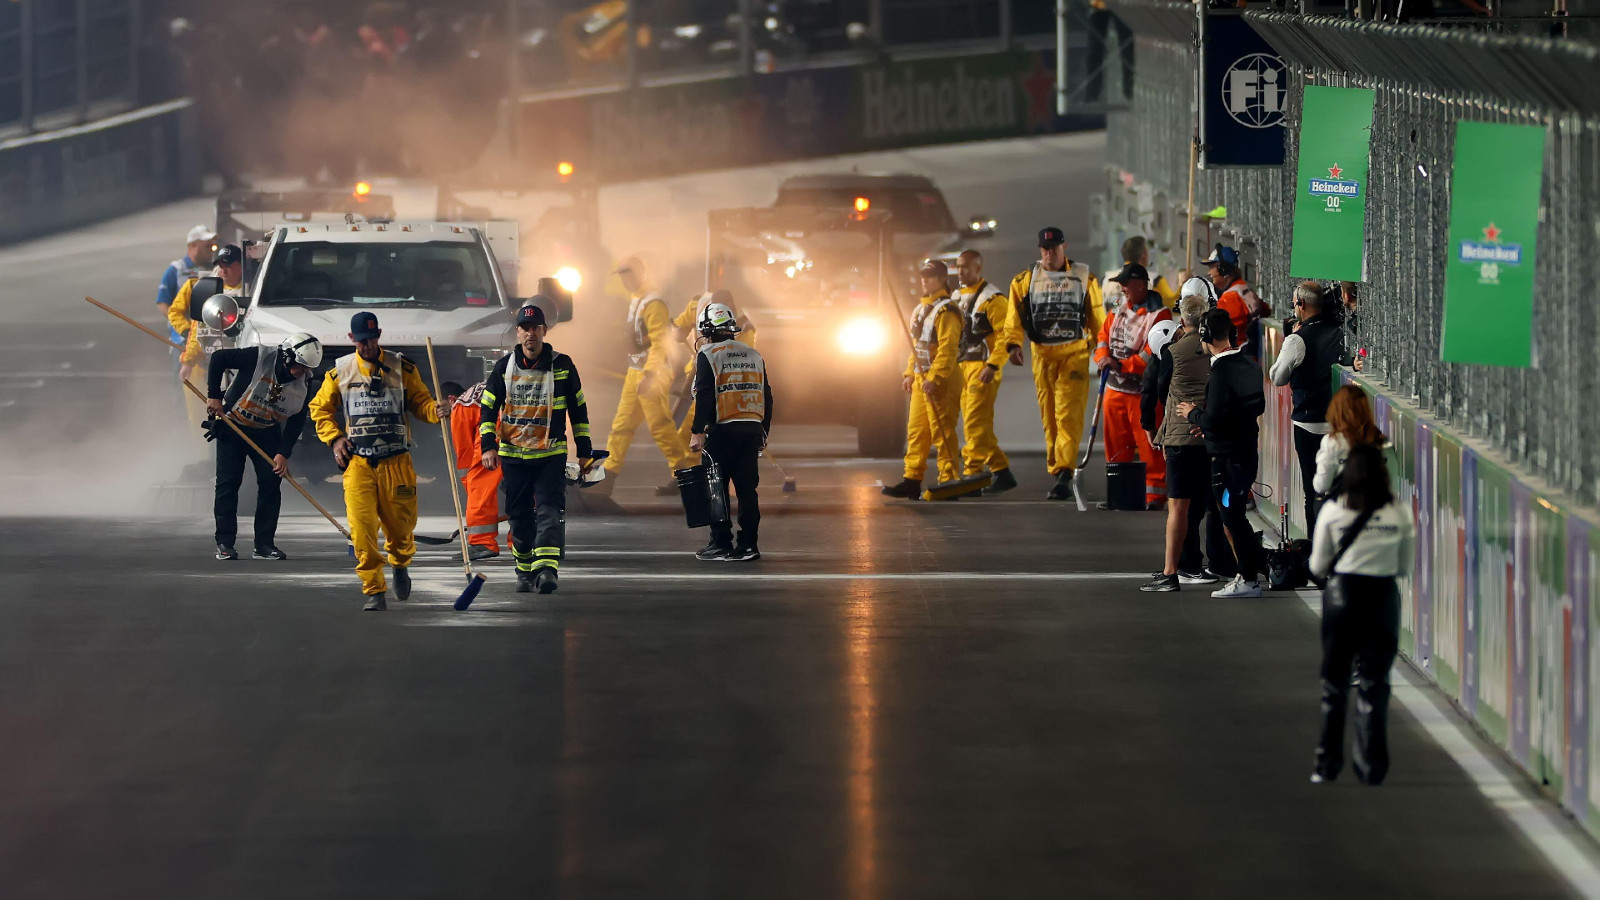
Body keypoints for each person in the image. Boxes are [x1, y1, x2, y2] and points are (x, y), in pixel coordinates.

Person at [308, 312, 442, 611]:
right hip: (359, 464)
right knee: (362, 529)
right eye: (360, 340)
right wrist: (335, 438)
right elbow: (319, 408)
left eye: (371, 339)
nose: (366, 345)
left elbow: (421, 403)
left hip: (397, 462)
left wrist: (436, 411)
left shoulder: (402, 367)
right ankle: (374, 591)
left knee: (401, 526)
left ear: (378, 335)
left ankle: (400, 563)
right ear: (351, 338)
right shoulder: (339, 372)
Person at [1309, 442, 1415, 785]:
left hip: (1342, 597)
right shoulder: (1398, 512)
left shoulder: (1333, 511)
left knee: (1335, 684)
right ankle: (1371, 767)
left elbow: (1317, 565)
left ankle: (1326, 765)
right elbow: (1404, 566)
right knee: (1374, 683)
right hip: (1382, 598)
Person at [479, 302, 594, 593]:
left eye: (536, 328)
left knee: (548, 511)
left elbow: (578, 410)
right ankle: (525, 569)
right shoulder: (504, 367)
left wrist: (585, 452)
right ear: (518, 332)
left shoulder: (563, 365)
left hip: (550, 455)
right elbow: (488, 410)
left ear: (544, 330)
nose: (531, 334)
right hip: (514, 456)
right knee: (519, 516)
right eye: (525, 328)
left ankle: (547, 570)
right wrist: (488, 447)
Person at [1140, 295, 1234, 591]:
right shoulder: (1218, 350)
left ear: (1183, 320)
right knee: (1218, 504)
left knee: (1178, 507)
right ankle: (1226, 564)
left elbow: (1161, 388)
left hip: (1180, 437)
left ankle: (1176, 569)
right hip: (1211, 435)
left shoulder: (1173, 351)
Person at [1006, 226, 1107, 500]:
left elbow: (1098, 320)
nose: (1049, 253)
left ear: (1064, 247)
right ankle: (1057, 467)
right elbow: (1013, 317)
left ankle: (1064, 469)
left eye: (1054, 248)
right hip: (1042, 357)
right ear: (1040, 250)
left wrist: (1102, 352)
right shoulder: (1024, 280)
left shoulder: (1086, 279)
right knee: (1049, 416)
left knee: (1068, 414)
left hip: (1074, 355)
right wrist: (1013, 344)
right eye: (1045, 249)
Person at [204, 333, 322, 561]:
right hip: (233, 425)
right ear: (287, 357)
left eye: (308, 369)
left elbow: (296, 420)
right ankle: (225, 543)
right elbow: (218, 358)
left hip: (267, 430)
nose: (305, 373)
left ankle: (264, 545)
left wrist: (283, 453)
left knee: (271, 484)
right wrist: (214, 396)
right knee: (228, 484)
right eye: (301, 366)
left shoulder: (304, 383)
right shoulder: (258, 357)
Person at [1176, 309, 1266, 598]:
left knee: (1231, 516)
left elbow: (1214, 418)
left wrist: (1194, 415)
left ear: (1204, 335)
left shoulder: (1220, 372)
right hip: (1246, 452)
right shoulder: (1250, 364)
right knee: (1234, 514)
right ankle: (1259, 568)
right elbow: (1253, 408)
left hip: (1227, 459)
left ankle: (1248, 577)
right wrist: (1214, 425)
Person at [599, 256, 696, 494]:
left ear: (641, 273)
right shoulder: (637, 301)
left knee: (661, 427)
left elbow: (660, 345)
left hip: (652, 374)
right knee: (621, 426)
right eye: (622, 275)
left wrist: (651, 375)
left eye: (628, 274)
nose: (625, 279)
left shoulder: (654, 304)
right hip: (637, 373)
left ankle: (684, 477)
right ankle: (608, 476)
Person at [688, 302, 773, 560]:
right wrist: (764, 430)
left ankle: (721, 541)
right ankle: (748, 545)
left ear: (707, 329)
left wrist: (697, 431)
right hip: (750, 430)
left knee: (717, 489)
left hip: (721, 431)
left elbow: (704, 396)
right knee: (747, 490)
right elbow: (766, 395)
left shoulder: (708, 354)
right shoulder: (753, 354)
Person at [882, 259, 963, 499]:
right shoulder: (920, 310)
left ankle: (949, 481)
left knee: (942, 432)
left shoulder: (948, 310)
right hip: (921, 379)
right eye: (923, 276)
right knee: (917, 431)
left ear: (943, 279)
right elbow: (916, 347)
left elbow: (949, 348)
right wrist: (909, 373)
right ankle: (912, 479)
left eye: (931, 276)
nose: (925, 280)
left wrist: (935, 377)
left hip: (942, 382)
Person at [1094, 262, 1173, 509]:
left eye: (1126, 283)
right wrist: (1103, 357)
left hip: (1142, 394)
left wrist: (1122, 365)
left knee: (1150, 447)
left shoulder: (1160, 314)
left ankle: (1154, 496)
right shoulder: (1119, 304)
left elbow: (1152, 354)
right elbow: (1103, 335)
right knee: (1116, 447)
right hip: (1114, 390)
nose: (1122, 288)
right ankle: (1119, 494)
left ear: (1140, 285)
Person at [1270, 281, 1345, 529]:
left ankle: (1316, 549)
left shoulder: (1297, 340)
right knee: (1338, 490)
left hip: (1309, 424)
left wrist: (1290, 338)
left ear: (1300, 304)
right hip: (1338, 422)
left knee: (1313, 489)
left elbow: (1277, 377)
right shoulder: (1340, 331)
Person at [950, 250, 1017, 492]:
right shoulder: (956, 297)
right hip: (962, 367)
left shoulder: (993, 298)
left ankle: (973, 473)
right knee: (975, 423)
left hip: (982, 368)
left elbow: (1005, 336)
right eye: (958, 266)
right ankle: (1000, 470)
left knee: (975, 423)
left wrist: (993, 365)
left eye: (966, 267)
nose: (960, 271)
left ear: (978, 268)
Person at [671, 288, 757, 448]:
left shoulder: (744, 328)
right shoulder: (698, 306)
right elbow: (679, 327)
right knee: (688, 430)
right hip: (697, 374)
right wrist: (679, 332)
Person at [444, 379, 506, 561]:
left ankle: (482, 542)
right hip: (520, 425)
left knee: (479, 481)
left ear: (450, 399)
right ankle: (527, 541)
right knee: (524, 484)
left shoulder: (461, 405)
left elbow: (465, 452)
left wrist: (468, 484)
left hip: (493, 431)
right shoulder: (479, 390)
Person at [1314, 385, 1388, 499]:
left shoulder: (1333, 442)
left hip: (1343, 505)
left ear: (1336, 410)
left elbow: (1321, 485)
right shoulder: (1381, 440)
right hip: (1377, 506)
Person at [157, 225, 216, 347]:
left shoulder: (217, 269)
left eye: (212, 246)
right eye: (207, 246)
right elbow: (163, 303)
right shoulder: (176, 270)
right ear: (193, 246)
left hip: (210, 338)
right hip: (182, 340)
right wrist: (182, 327)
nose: (212, 250)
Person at [1203, 244, 1266, 358]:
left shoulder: (1228, 300)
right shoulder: (1244, 289)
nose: (1209, 273)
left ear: (1223, 269)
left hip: (1237, 360)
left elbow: (1221, 338)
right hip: (1251, 359)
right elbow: (1266, 310)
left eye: (1212, 267)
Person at [1120, 236, 1178, 308]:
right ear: (1143, 255)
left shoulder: (1107, 280)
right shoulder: (1155, 281)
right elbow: (1175, 305)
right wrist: (1186, 283)